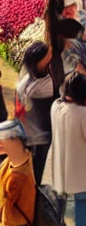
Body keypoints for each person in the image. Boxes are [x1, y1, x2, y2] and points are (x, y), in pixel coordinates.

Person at [44, 71, 86, 226]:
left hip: (59, 160)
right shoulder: (83, 112)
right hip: (80, 163)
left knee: (60, 196)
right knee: (82, 197)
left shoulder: (56, 106)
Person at [15, 41, 58, 185]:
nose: (49, 57)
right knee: (25, 177)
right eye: (46, 56)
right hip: (28, 136)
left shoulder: (42, 81)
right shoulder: (33, 80)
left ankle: (31, 204)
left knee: (33, 178)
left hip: (39, 138)